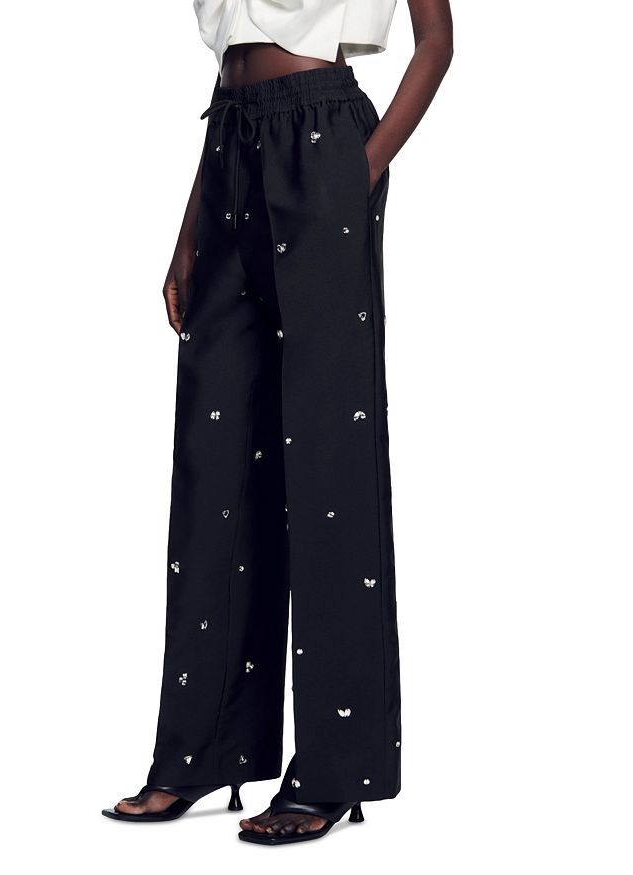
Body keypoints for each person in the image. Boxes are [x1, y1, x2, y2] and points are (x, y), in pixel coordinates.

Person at [102, 0, 453, 845]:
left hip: (322, 138)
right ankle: (201, 748)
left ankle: (333, 769)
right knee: (213, 460)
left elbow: (437, 43)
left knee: (327, 454)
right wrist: (188, 231)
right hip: (229, 142)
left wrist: (360, 170)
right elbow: (230, 70)